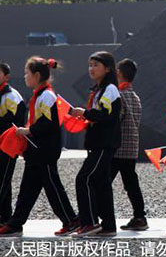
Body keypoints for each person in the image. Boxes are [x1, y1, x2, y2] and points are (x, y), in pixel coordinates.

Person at [0, 57, 78, 237]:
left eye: (27, 73)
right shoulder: (41, 95)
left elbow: (48, 124)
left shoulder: (46, 96)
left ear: (36, 75)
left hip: (45, 150)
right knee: (27, 189)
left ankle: (71, 220)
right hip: (36, 151)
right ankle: (15, 223)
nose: (25, 76)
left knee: (53, 188)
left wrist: (27, 131)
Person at [70, 51, 122, 237]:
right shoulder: (100, 90)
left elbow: (107, 117)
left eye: (96, 65)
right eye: (90, 65)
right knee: (102, 184)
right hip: (98, 143)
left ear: (107, 69)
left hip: (103, 144)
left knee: (83, 179)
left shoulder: (110, 90)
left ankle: (90, 223)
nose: (91, 69)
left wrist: (84, 113)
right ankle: (108, 225)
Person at [110, 58, 148, 231]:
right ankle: (140, 216)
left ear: (118, 73)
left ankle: (93, 215)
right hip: (131, 147)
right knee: (131, 184)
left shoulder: (119, 96)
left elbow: (115, 121)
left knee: (100, 182)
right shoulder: (135, 97)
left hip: (118, 148)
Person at [0, 63, 26, 227]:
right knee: (4, 182)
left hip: (8, 145)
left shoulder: (11, 96)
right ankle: (6, 217)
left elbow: (14, 122)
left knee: (2, 181)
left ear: (7, 77)